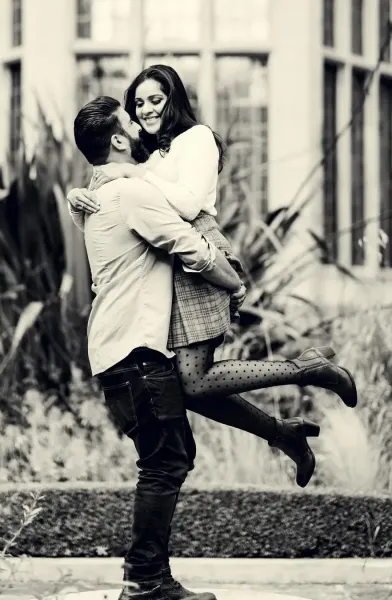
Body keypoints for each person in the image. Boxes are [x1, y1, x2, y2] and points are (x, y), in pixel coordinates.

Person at [68, 65, 358, 489]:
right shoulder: (150, 153)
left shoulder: (196, 138)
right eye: (139, 104)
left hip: (199, 250)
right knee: (188, 387)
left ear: (175, 100)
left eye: (156, 99)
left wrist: (134, 174)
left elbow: (184, 205)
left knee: (195, 381)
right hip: (177, 263)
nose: (146, 110)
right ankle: (285, 433)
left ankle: (306, 369)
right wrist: (79, 198)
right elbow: (118, 210)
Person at [73, 95, 251, 600]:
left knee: (169, 456)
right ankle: (146, 581)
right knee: (165, 461)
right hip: (134, 354)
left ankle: (147, 578)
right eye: (132, 119)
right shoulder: (130, 193)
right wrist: (234, 284)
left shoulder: (104, 193)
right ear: (118, 139)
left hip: (119, 352)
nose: (140, 123)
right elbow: (191, 248)